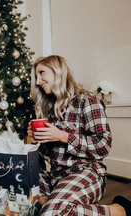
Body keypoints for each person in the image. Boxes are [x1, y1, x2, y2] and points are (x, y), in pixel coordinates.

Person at [29, 55, 131, 216]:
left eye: (42, 73)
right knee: (20, 190)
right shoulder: (50, 109)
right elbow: (49, 154)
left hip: (87, 172)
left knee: (53, 212)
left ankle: (117, 210)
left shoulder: (88, 102)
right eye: (36, 76)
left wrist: (64, 136)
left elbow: (103, 146)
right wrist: (37, 138)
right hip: (55, 176)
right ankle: (48, 202)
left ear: (58, 72)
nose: (38, 81)